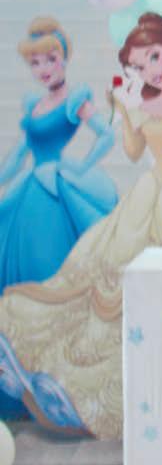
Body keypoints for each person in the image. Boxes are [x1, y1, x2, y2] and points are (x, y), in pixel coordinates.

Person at [0, 13, 162, 439]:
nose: (150, 70)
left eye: (154, 57)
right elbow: (134, 151)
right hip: (148, 193)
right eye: (139, 65)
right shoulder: (143, 104)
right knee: (102, 272)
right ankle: (68, 380)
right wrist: (125, 111)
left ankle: (160, 381)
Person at [0, 17, 117, 294]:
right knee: (25, 249)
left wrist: (83, 167)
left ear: (64, 58)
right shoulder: (34, 105)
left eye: (50, 59)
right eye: (35, 63)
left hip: (56, 184)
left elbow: (107, 134)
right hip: (31, 185)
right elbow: (20, 153)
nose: (43, 69)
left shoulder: (74, 101)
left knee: (52, 253)